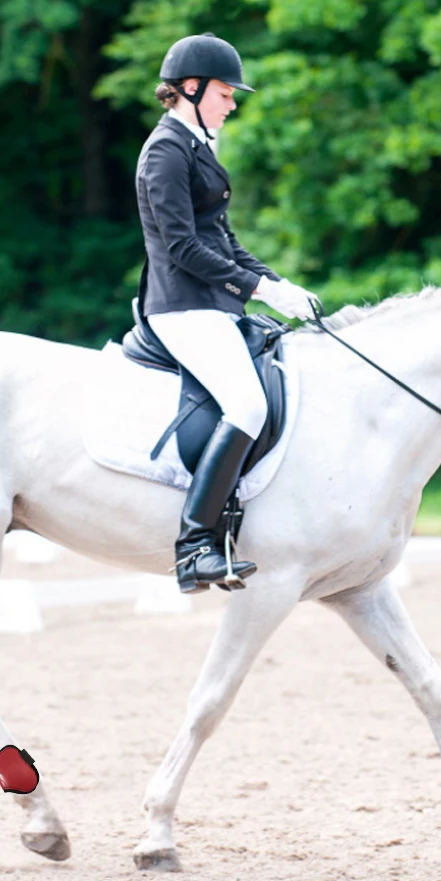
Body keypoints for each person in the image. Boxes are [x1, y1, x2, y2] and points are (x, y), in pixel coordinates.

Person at [135, 32, 318, 593]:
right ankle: (194, 545)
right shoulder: (165, 152)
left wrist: (278, 283)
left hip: (211, 303)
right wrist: (257, 288)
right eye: (224, 92)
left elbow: (224, 239)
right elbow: (183, 246)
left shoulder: (196, 147)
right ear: (190, 89)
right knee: (246, 402)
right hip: (181, 307)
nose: (232, 102)